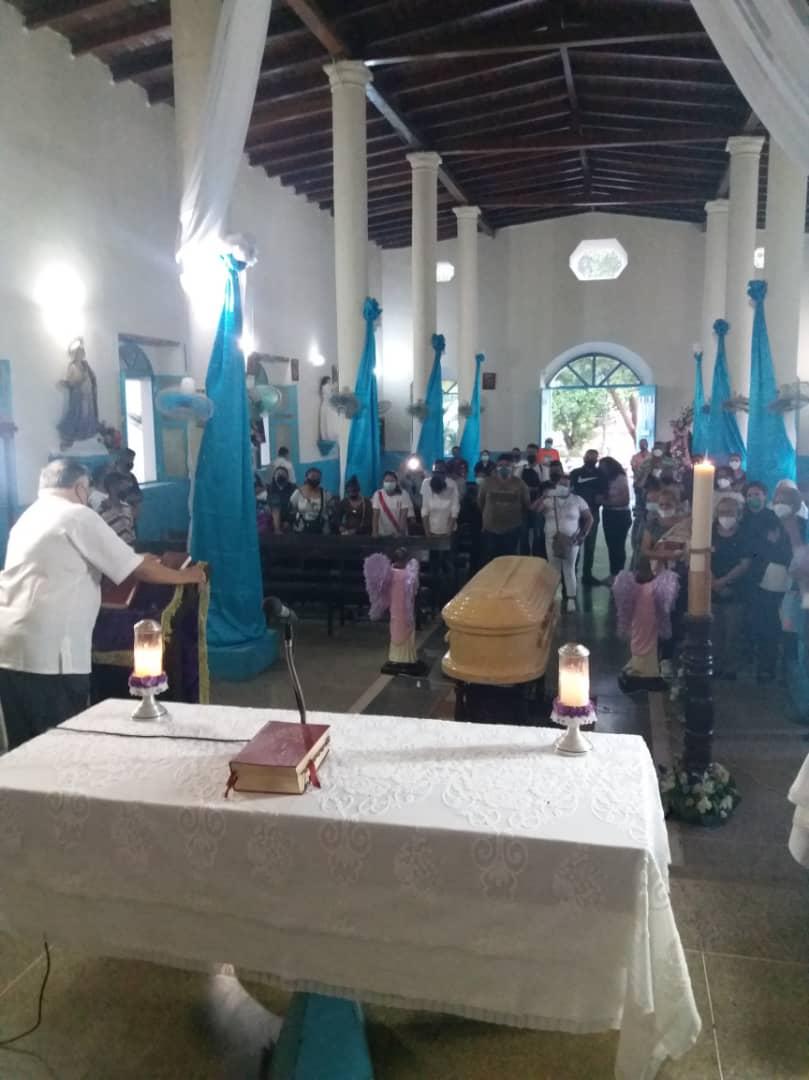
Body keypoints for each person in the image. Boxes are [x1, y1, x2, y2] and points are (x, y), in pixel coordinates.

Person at [0, 460, 206, 750]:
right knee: (58, 747)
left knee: (23, 749)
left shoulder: (27, 518)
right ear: (81, 488)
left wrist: (138, 559)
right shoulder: (77, 515)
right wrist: (188, 575)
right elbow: (139, 570)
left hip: (9, 648)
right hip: (50, 653)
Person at [743, 480, 790, 682]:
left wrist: (767, 546)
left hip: (769, 578)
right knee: (748, 621)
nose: (754, 498)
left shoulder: (774, 518)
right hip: (746, 577)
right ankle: (749, 657)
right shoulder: (742, 517)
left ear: (765, 496)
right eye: (750, 495)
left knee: (768, 622)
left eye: (757, 494)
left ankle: (767, 666)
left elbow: (780, 548)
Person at [613, 558, 679, 685]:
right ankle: (648, 672)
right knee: (650, 644)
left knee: (638, 641)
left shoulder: (633, 589)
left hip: (638, 624)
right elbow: (664, 607)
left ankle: (639, 669)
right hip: (650, 623)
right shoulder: (655, 588)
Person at [711, 497, 752, 680]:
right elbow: (703, 559)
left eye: (730, 513)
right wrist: (714, 582)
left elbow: (744, 564)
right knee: (714, 630)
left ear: (738, 515)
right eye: (722, 512)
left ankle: (730, 666)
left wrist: (724, 581)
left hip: (736, 590)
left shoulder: (744, 535)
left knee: (732, 631)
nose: (725, 517)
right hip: (712, 588)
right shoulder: (711, 532)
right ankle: (715, 663)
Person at [541, 472, 592, 612]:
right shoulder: (549, 500)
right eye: (561, 484)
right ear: (556, 485)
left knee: (569, 569)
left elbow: (589, 518)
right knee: (553, 568)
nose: (564, 486)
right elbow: (534, 510)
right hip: (552, 539)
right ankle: (554, 597)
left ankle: (571, 599)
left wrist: (583, 535)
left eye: (566, 484)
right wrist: (544, 496)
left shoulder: (577, 500)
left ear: (571, 486)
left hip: (572, 540)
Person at [478, 454, 532, 562]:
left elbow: (526, 504)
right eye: (500, 465)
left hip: (512, 529)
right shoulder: (487, 482)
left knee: (510, 559)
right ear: (496, 467)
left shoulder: (520, 484)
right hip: (490, 529)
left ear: (512, 467)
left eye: (507, 465)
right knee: (490, 560)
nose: (503, 467)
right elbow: (480, 503)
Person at [569, 449, 607, 586]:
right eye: (588, 456)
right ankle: (571, 573)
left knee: (590, 545)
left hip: (592, 514)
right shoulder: (575, 473)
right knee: (574, 543)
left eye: (593, 457)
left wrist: (599, 499)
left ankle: (587, 575)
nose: (590, 459)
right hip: (575, 514)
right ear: (584, 457)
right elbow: (570, 491)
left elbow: (604, 493)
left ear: (597, 459)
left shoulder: (601, 475)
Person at [598, 456, 632, 581]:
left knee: (618, 546)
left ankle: (619, 574)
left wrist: (605, 502)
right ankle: (613, 573)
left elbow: (625, 500)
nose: (601, 470)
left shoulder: (620, 478)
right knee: (611, 546)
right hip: (608, 514)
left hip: (620, 515)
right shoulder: (604, 480)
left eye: (603, 467)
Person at [98, 471, 136, 547]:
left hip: (130, 549)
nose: (125, 487)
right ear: (112, 487)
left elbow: (131, 532)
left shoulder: (127, 507)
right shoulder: (102, 512)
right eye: (121, 484)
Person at [372, 471, 414, 537]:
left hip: (399, 534)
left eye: (391, 481)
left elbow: (403, 516)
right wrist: (374, 532)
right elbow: (375, 516)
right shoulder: (378, 494)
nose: (389, 483)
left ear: (396, 482)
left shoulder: (403, 494)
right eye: (386, 481)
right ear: (383, 482)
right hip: (382, 534)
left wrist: (400, 532)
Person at [289, 468, 330, 534]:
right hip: (301, 530)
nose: (315, 479)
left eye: (318, 477)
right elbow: (291, 510)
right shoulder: (298, 493)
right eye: (313, 476)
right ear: (306, 477)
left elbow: (329, 511)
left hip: (320, 530)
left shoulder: (325, 494)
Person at [520, 445, 544, 556]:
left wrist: (534, 489)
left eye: (533, 453)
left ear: (537, 453)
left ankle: (536, 556)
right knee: (523, 533)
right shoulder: (522, 468)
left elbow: (545, 487)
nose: (531, 455)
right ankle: (524, 556)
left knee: (537, 532)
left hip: (538, 505)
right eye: (529, 453)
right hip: (523, 505)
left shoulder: (542, 469)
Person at [268, 464, 295, 532]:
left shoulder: (293, 489)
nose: (280, 475)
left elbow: (295, 507)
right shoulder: (269, 489)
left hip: (290, 521)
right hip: (272, 521)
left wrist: (289, 521)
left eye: (283, 474)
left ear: (287, 477)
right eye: (278, 473)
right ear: (274, 476)